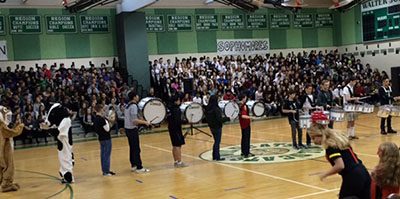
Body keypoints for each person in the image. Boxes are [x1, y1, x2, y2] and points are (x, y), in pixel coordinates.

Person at [308, 111, 371, 199]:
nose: (313, 141)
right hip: (363, 172)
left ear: (320, 134)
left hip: (353, 176)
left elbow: (340, 165)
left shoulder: (330, 145)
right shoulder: (338, 137)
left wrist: (325, 174)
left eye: (313, 138)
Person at [124, 91, 151, 173]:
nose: (138, 96)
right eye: (137, 95)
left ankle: (133, 165)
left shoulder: (127, 105)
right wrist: (145, 123)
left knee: (132, 148)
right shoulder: (133, 107)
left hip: (127, 129)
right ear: (134, 97)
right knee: (136, 148)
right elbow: (134, 121)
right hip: (132, 129)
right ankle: (139, 167)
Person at [205, 95, 230, 161]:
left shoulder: (208, 108)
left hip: (211, 126)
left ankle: (214, 155)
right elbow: (219, 119)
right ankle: (217, 156)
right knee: (217, 142)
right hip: (217, 127)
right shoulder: (216, 109)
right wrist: (227, 119)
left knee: (216, 141)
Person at [93, 104, 115, 176]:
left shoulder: (95, 118)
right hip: (106, 138)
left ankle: (104, 170)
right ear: (100, 110)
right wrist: (107, 122)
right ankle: (106, 171)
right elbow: (107, 129)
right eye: (102, 109)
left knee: (103, 154)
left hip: (101, 138)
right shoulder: (102, 119)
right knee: (107, 155)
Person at [167, 95, 188, 167]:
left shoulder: (170, 108)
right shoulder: (176, 109)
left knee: (174, 145)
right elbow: (177, 120)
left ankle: (176, 161)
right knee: (178, 145)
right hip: (176, 128)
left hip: (171, 128)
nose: (179, 101)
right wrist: (185, 122)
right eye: (178, 100)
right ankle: (179, 162)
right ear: (175, 101)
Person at [238, 93, 256, 158]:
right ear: (243, 98)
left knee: (243, 138)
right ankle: (246, 152)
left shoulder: (238, 105)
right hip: (245, 124)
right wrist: (251, 117)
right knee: (246, 138)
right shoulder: (243, 106)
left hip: (242, 124)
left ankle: (243, 151)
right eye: (245, 97)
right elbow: (243, 115)